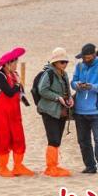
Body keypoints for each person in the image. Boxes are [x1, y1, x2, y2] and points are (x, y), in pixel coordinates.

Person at [0, 47, 34, 177]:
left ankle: (18, 166)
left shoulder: (14, 75)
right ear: (7, 64)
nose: (16, 65)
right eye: (14, 63)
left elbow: (20, 94)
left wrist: (22, 91)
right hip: (1, 114)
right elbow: (9, 92)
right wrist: (17, 86)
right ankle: (2, 167)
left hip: (14, 113)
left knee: (18, 138)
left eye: (17, 62)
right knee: (3, 139)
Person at [71, 43, 98, 176]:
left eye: (88, 58)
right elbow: (73, 82)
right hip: (80, 110)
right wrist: (77, 85)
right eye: (84, 57)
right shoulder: (79, 65)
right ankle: (90, 166)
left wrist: (92, 87)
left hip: (97, 111)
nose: (86, 60)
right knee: (83, 140)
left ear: (94, 55)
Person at [37, 48, 74, 177]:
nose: (64, 64)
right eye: (62, 62)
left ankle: (54, 165)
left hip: (61, 111)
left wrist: (70, 99)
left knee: (57, 139)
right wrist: (57, 97)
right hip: (48, 110)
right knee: (53, 138)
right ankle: (50, 167)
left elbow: (67, 90)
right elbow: (42, 90)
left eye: (66, 62)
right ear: (55, 62)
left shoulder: (64, 74)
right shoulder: (49, 74)